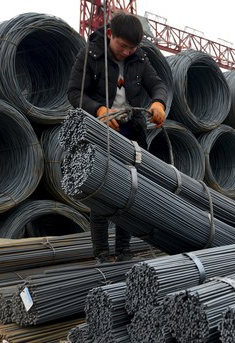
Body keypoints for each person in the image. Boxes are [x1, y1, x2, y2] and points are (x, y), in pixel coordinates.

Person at [68, 11, 168, 264]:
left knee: (129, 191)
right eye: (122, 46)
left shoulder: (139, 58)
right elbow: (74, 93)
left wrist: (158, 103)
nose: (125, 52)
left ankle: (123, 250)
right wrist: (99, 109)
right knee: (101, 191)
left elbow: (157, 84)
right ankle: (101, 253)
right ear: (111, 35)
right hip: (99, 131)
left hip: (129, 132)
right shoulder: (91, 55)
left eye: (131, 48)